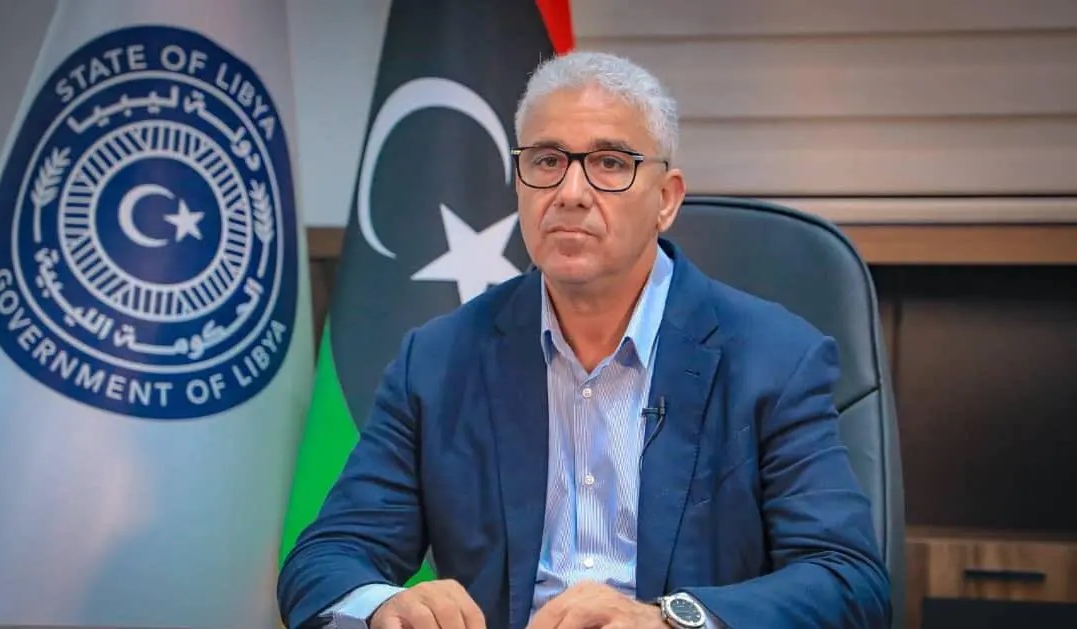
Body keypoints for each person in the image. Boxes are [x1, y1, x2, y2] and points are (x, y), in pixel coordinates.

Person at [277, 51, 891, 629]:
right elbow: (327, 556)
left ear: (666, 199)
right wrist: (387, 605)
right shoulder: (439, 361)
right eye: (547, 161)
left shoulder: (773, 358)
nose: (570, 193)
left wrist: (667, 619)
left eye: (610, 163)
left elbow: (848, 580)